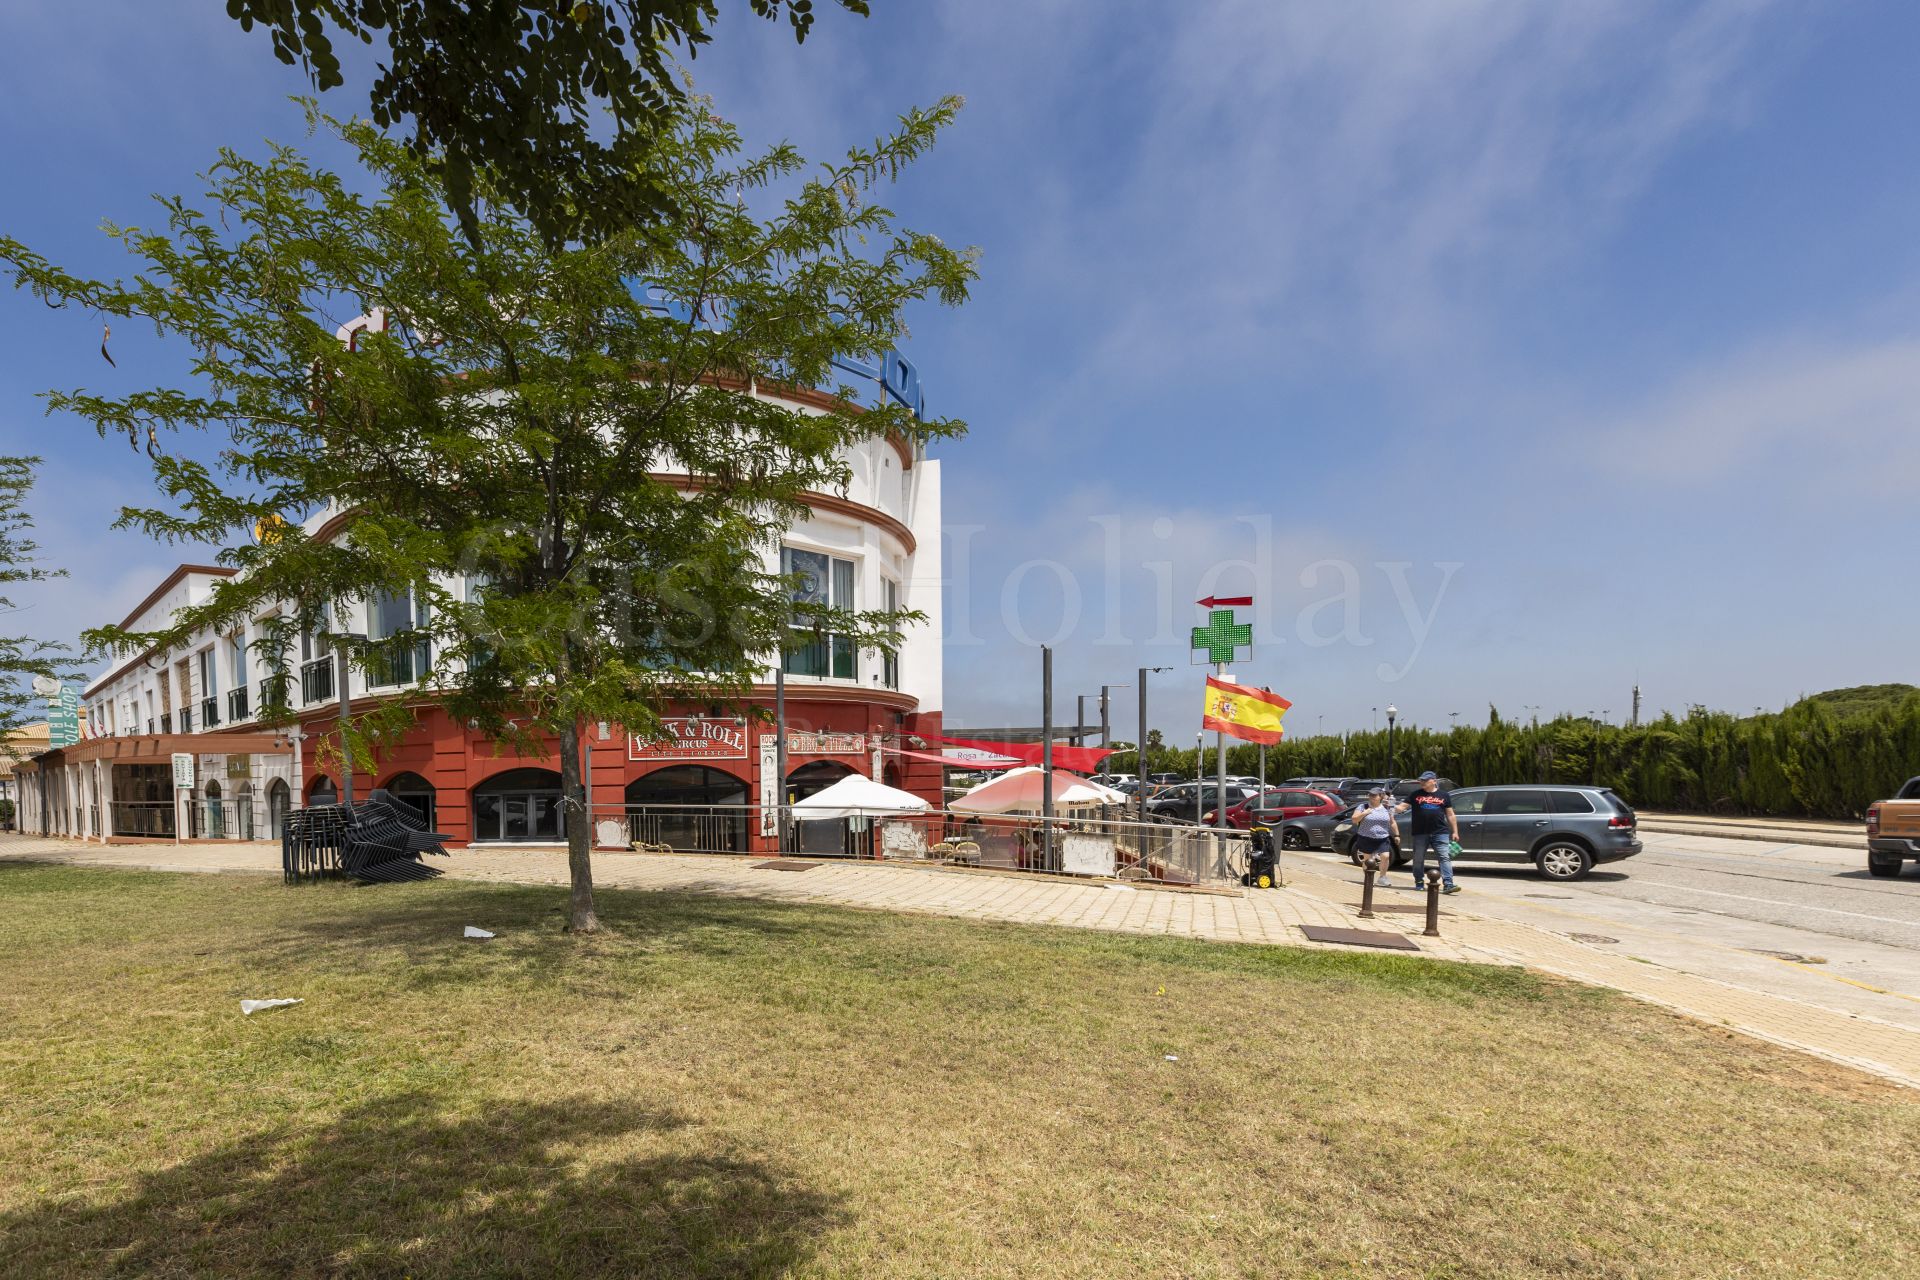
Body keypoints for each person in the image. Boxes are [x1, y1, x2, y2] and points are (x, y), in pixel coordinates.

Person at [1398, 770, 1461, 894]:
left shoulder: (1444, 795)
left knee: (1444, 857)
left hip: (1440, 832)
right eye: (1421, 780)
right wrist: (1392, 806)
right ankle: (1419, 881)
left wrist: (1455, 831)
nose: (1422, 782)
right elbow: (1402, 807)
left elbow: (1450, 814)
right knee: (1418, 858)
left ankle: (1448, 884)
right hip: (1420, 833)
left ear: (1434, 781)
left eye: (1425, 780)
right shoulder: (1415, 794)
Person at [1350, 788, 1399, 887]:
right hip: (1366, 837)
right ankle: (1369, 878)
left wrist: (1397, 835)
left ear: (1380, 796)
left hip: (1383, 837)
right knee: (1368, 860)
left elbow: (1392, 822)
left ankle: (1382, 877)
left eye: (1374, 795)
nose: (1372, 797)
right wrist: (1365, 813)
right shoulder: (1363, 807)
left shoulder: (1387, 808)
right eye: (1370, 795)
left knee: (1385, 856)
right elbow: (1354, 820)